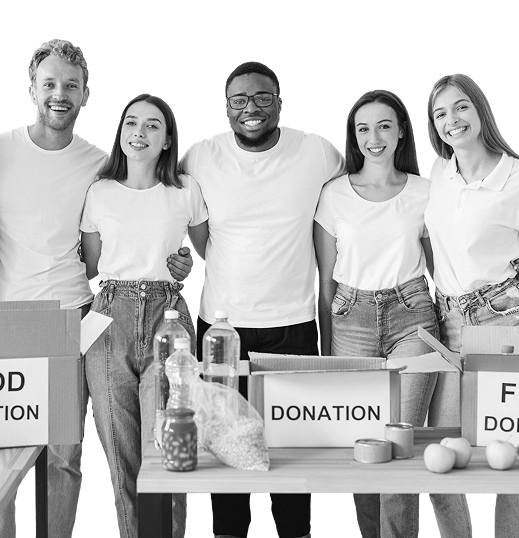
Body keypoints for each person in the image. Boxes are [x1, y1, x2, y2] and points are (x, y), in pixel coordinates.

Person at [0, 40, 193, 538]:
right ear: (32, 87)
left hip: (78, 317)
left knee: (67, 455)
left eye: (71, 86)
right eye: (50, 83)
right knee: (4, 454)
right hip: (5, 317)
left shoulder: (99, 165)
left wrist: (179, 262)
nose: (60, 94)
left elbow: (118, 242)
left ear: (86, 95)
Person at [180, 60, 345, 538]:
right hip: (220, 325)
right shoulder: (201, 156)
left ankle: (295, 532)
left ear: (279, 102)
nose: (250, 109)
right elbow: (173, 207)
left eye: (261, 98)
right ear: (226, 108)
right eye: (239, 100)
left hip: (293, 322)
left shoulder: (316, 151)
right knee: (225, 440)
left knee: (289, 446)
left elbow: (367, 191)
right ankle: (229, 532)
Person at [315, 89, 474, 538]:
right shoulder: (333, 195)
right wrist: (328, 347)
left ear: (401, 130)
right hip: (351, 318)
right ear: (353, 137)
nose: (374, 137)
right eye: (363, 128)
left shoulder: (426, 191)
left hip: (413, 317)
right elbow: (325, 281)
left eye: (384, 125)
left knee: (400, 441)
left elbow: (450, 258)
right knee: (366, 447)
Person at [424, 73, 519, 538]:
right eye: (440, 114)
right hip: (447, 321)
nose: (451, 120)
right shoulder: (438, 173)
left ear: (480, 110)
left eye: (460, 107)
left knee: (513, 452)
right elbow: (434, 242)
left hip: (507, 318)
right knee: (441, 452)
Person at [80, 93, 209, 538]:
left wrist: (189, 265)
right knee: (120, 452)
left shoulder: (186, 191)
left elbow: (206, 252)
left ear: (168, 139)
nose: (140, 132)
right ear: (120, 134)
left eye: (153, 125)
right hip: (108, 317)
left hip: (167, 317)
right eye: (132, 123)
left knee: (167, 445)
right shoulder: (98, 192)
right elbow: (93, 268)